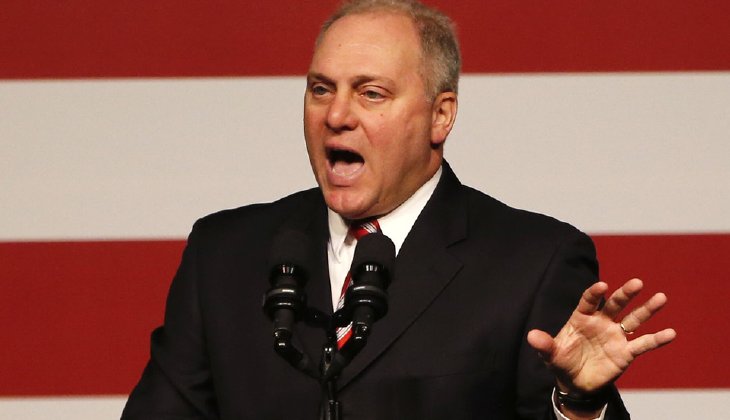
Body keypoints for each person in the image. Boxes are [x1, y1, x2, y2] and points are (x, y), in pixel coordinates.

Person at [122, 1, 676, 419]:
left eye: (371, 93)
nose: (336, 115)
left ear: (441, 116)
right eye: (321, 89)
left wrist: (578, 404)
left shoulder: (533, 263)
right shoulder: (224, 254)